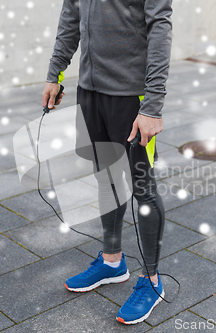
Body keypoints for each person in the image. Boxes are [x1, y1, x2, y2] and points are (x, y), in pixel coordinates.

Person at [42, 0, 172, 325]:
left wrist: (153, 105)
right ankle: (113, 262)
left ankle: (152, 282)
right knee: (106, 179)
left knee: (143, 188)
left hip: (132, 97)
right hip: (89, 91)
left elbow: (160, 26)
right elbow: (71, 16)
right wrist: (54, 73)